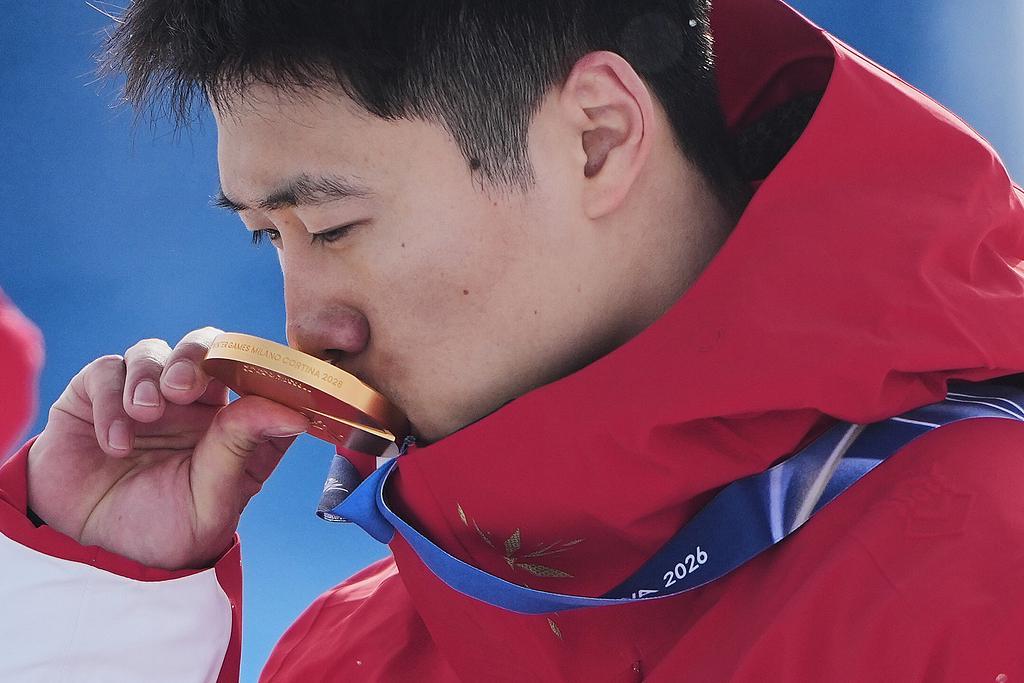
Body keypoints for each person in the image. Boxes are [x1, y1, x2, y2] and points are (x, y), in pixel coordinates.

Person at [3, 0, 1024, 680]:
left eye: (334, 226)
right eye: (268, 237)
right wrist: (107, 613)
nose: (305, 330)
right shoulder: (353, 648)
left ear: (598, 138)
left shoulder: (994, 565)